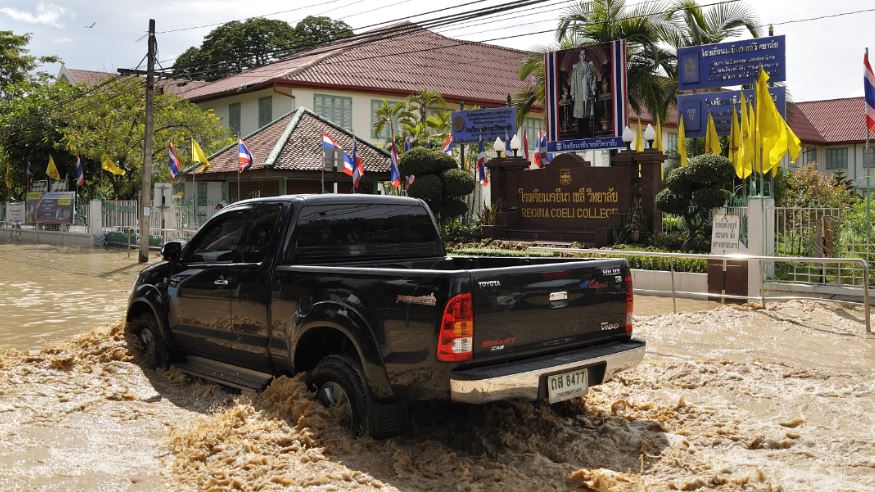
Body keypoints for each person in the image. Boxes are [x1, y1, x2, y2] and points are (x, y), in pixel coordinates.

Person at [570, 49, 597, 137]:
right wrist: (573, 93)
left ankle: (586, 132)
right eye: (581, 54)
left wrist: (593, 89)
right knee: (580, 112)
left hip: (587, 91)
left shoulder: (590, 66)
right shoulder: (576, 67)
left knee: (587, 111)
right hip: (579, 92)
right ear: (579, 56)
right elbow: (573, 81)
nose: (583, 56)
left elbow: (594, 78)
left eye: (584, 54)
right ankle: (580, 132)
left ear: (586, 56)